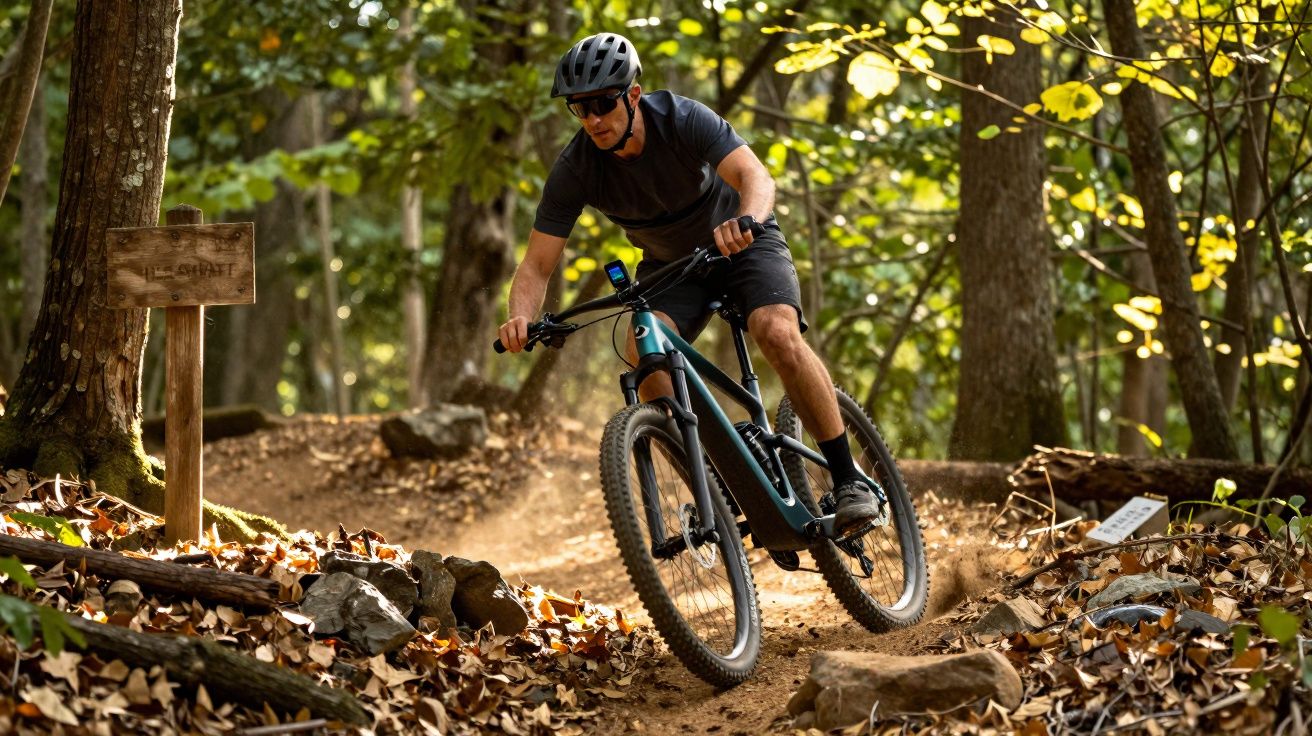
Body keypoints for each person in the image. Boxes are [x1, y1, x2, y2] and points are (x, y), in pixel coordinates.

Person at [497, 32, 882, 535]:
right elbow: (536, 266)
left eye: (602, 103)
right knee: (645, 348)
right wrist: (521, 318)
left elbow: (756, 177)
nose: (592, 118)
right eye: (579, 108)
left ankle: (848, 476)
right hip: (671, 266)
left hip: (742, 242)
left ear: (633, 95)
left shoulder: (681, 119)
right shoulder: (576, 168)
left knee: (775, 331)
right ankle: (719, 482)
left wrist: (747, 221)